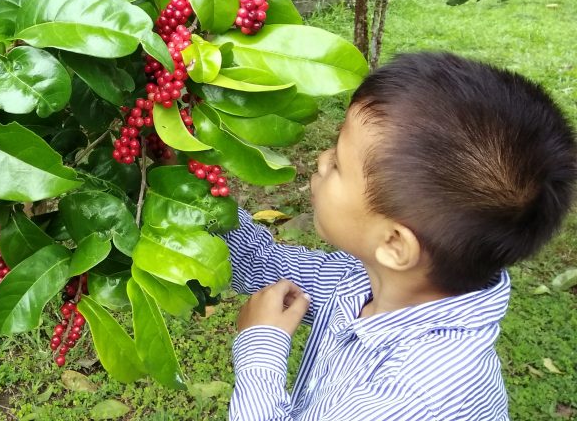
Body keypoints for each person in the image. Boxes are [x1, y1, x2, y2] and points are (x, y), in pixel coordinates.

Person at [223, 52, 576, 421]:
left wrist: (260, 350)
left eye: (339, 165)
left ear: (394, 244)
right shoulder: (369, 280)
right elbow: (262, 263)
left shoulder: (414, 399)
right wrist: (198, 197)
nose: (322, 161)